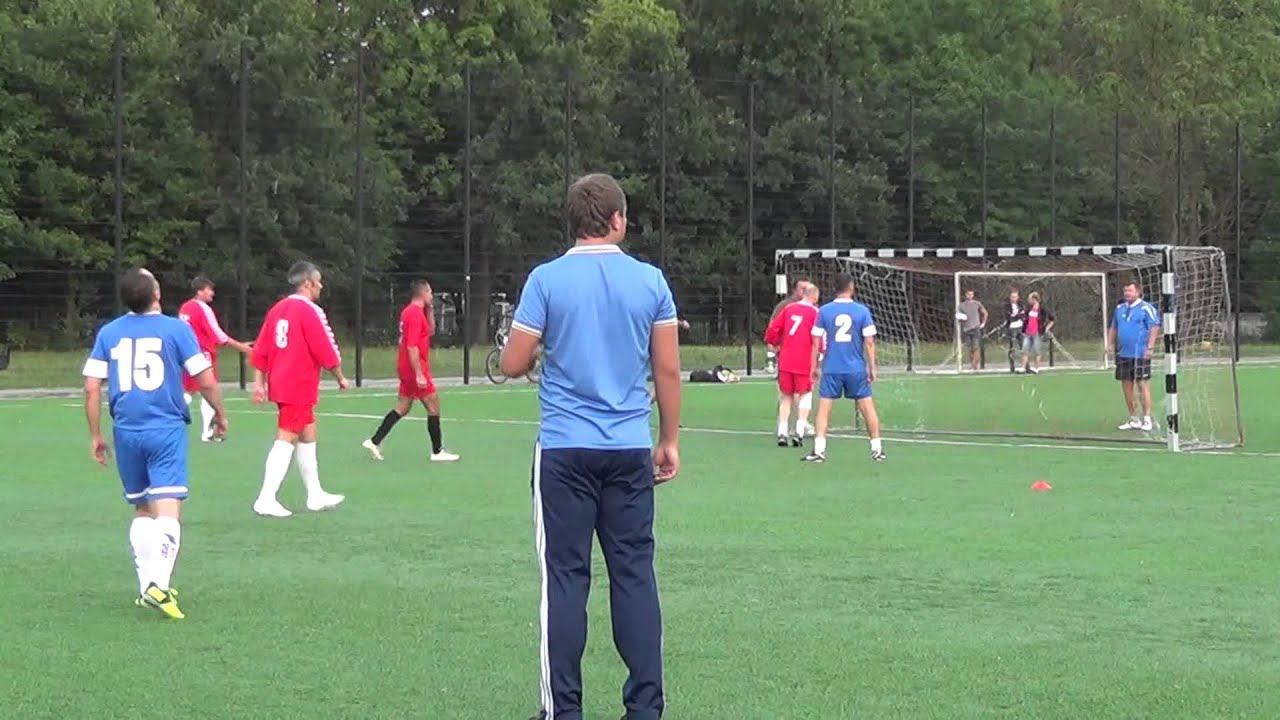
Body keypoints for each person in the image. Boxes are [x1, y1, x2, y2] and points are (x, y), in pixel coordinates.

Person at [501, 173, 680, 720]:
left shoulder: (545, 279)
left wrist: (540, 349)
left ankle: (564, 710)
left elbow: (512, 362)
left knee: (565, 579)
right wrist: (669, 439)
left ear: (574, 222)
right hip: (628, 448)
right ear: (618, 220)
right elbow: (667, 370)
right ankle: (644, 708)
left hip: (564, 450)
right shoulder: (650, 280)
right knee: (634, 575)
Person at [82, 268, 228, 619]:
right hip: (164, 429)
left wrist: (96, 435)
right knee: (168, 508)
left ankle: (146, 585)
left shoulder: (109, 332)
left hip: (126, 430)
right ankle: (158, 586)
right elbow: (205, 380)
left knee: (143, 509)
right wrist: (220, 414)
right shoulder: (176, 329)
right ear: (157, 294)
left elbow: (91, 387)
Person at [249, 261, 349, 518]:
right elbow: (325, 347)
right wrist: (340, 376)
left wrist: (259, 382)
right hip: (298, 383)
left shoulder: (277, 309)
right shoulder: (310, 311)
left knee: (308, 433)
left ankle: (315, 494)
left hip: (281, 381)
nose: (321, 286)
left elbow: (261, 349)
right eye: (318, 281)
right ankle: (265, 498)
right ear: (308, 283)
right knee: (286, 438)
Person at [362, 280, 460, 462]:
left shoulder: (413, 312)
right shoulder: (414, 314)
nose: (431, 296)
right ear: (423, 293)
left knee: (403, 407)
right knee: (433, 405)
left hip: (406, 367)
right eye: (430, 292)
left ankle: (374, 441)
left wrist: (430, 310)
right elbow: (411, 346)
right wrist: (419, 374)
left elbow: (430, 331)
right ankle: (437, 451)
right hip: (414, 367)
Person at [802, 273, 884, 463]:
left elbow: (815, 342)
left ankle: (819, 451)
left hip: (832, 368)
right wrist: (872, 367)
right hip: (856, 368)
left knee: (824, 408)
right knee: (867, 407)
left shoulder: (824, 311)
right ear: (851, 287)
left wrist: (814, 366)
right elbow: (869, 342)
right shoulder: (862, 311)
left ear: (834, 289)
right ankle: (877, 450)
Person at [178, 276, 252, 442]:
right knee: (209, 390)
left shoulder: (185, 307)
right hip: (202, 355)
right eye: (209, 289)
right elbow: (218, 335)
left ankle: (166, 417)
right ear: (200, 291)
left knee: (189, 391)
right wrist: (243, 348)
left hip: (186, 355)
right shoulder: (203, 309)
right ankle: (208, 432)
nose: (212, 293)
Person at [763, 282, 820, 446]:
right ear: (815, 297)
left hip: (786, 359)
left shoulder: (788, 309)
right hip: (804, 361)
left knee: (786, 396)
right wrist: (818, 360)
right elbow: (819, 339)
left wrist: (776, 344)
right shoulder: (815, 312)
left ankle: (782, 432)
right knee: (805, 395)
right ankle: (799, 431)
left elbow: (772, 330)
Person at [1108, 281, 1162, 431]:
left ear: (1138, 292)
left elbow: (1154, 326)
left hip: (1140, 353)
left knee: (1142, 383)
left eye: (1130, 291)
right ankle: (1134, 418)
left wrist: (1150, 347)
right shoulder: (1119, 308)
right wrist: (1110, 344)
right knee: (1126, 385)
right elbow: (1113, 327)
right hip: (1123, 353)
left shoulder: (1146, 308)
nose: (1127, 293)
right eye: (1125, 291)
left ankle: (1147, 419)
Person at [766, 277, 809, 374]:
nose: (806, 291)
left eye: (808, 289)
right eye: (803, 289)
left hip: (805, 351)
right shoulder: (785, 305)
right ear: (794, 290)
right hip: (787, 350)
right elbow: (772, 327)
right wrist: (774, 346)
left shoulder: (812, 306)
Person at [1018, 292, 1054, 375]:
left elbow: (1052, 319)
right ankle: (1022, 368)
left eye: (1030, 299)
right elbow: (1025, 318)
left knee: (1037, 351)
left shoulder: (1042, 309)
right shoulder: (1029, 308)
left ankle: (1036, 368)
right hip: (1028, 332)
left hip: (1037, 333)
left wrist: (1047, 328)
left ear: (1034, 299)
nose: (1028, 300)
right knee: (1025, 350)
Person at [955, 288, 988, 371]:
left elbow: (985, 313)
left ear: (973, 295)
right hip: (966, 329)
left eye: (971, 294)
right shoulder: (961, 305)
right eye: (968, 294)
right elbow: (958, 316)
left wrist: (983, 323)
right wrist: (961, 319)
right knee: (970, 348)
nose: (970, 296)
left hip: (976, 328)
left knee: (976, 347)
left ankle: (974, 365)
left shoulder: (977, 304)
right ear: (965, 295)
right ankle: (973, 364)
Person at [1003, 289, 1025, 373]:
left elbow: (1023, 314)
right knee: (1012, 347)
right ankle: (1012, 366)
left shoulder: (1021, 305)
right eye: (1012, 297)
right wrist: (1017, 315)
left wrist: (1017, 315)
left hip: (1020, 326)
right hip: (1012, 327)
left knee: (1023, 346)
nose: (1014, 298)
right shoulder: (1007, 306)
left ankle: (1025, 366)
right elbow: (1009, 316)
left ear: (1018, 297)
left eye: (1015, 297)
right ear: (1010, 297)